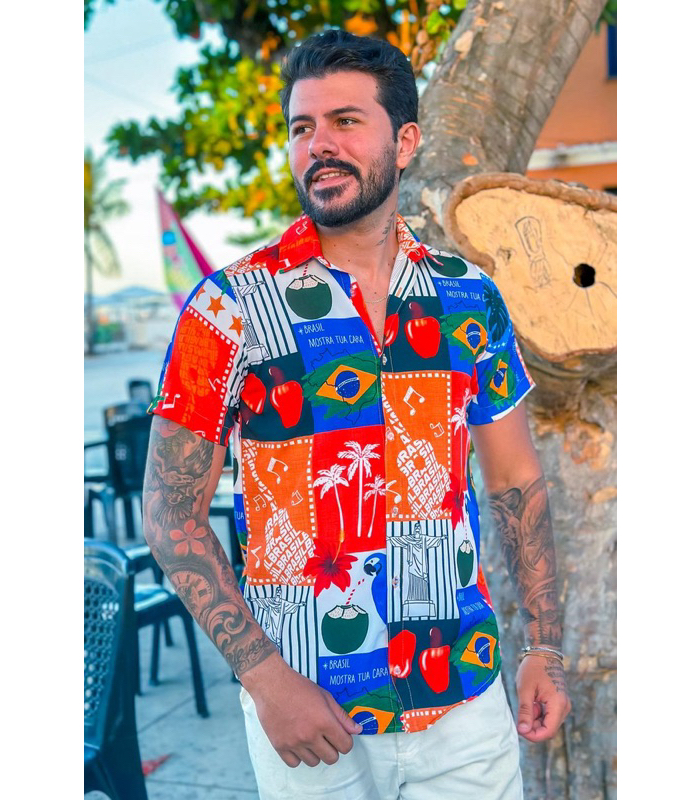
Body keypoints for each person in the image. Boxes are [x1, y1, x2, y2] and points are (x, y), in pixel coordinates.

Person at [143, 29, 570, 800]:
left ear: (404, 142)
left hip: (460, 696)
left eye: (345, 121)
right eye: (302, 127)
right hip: (308, 714)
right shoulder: (228, 309)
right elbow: (169, 514)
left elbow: (515, 477)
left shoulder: (468, 296)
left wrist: (545, 646)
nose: (319, 145)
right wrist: (266, 680)